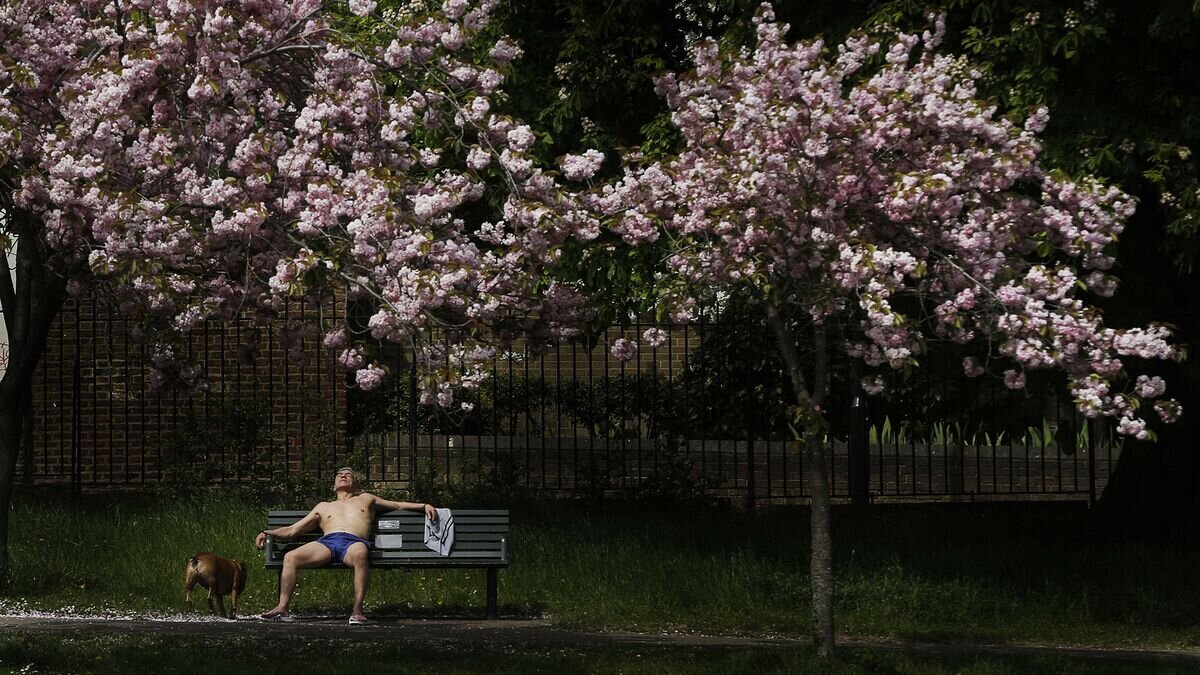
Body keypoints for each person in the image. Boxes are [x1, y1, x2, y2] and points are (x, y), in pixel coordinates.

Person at [255, 466, 437, 624]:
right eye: (339, 474)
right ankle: (282, 608)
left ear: (355, 485)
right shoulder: (323, 506)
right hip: (327, 542)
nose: (343, 475)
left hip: (354, 542)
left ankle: (357, 612)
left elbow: (397, 504)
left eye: (348, 475)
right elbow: (293, 530)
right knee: (291, 557)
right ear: (333, 486)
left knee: (360, 553)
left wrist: (423, 506)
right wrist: (267, 532)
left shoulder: (365, 499)